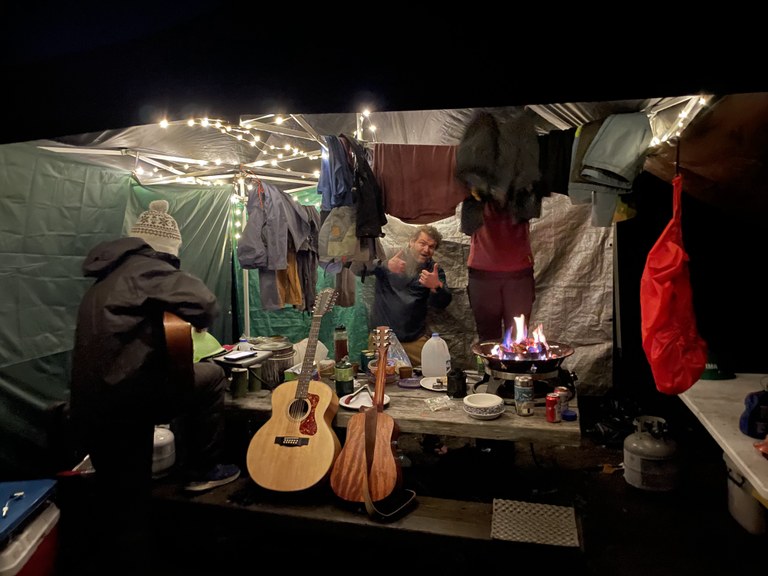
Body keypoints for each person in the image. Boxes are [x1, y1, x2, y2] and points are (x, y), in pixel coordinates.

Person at [68, 199, 240, 575]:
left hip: (90, 401)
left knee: (118, 499)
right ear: (166, 251)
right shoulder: (147, 268)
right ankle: (203, 469)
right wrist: (193, 319)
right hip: (129, 400)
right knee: (210, 376)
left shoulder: (106, 277)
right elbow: (205, 303)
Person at [370, 225, 452, 366]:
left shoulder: (434, 270)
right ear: (411, 242)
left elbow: (442, 303)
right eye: (422, 243)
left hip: (414, 339)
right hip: (382, 338)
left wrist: (436, 287)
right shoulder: (392, 256)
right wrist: (385, 265)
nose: (426, 250)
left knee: (434, 373)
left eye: (431, 247)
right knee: (380, 380)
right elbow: (359, 269)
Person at [467, 199, 535, 343]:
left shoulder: (525, 182)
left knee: (518, 339)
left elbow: (530, 210)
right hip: (484, 271)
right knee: (489, 339)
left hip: (517, 272)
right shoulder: (474, 183)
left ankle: (514, 364)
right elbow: (468, 225)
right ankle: (491, 365)